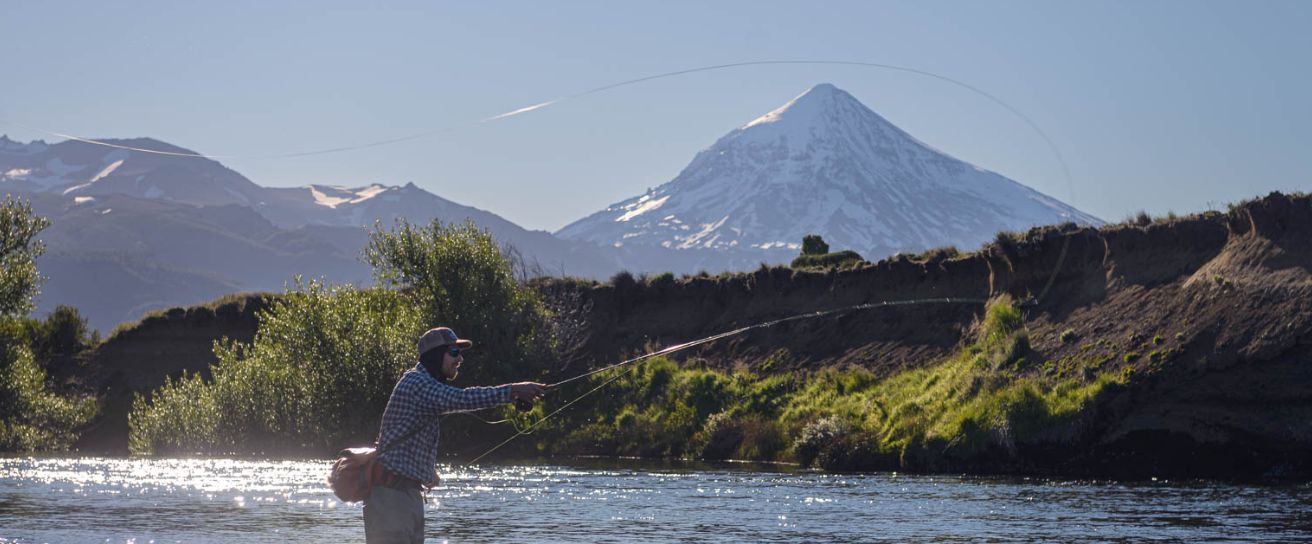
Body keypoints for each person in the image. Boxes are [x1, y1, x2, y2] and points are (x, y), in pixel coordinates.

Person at [364, 326, 545, 543]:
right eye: (453, 352)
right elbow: (462, 399)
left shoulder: (424, 385)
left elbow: (407, 434)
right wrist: (513, 390)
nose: (460, 359)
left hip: (406, 497)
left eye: (460, 353)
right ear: (434, 356)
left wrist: (427, 470)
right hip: (391, 498)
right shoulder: (417, 383)